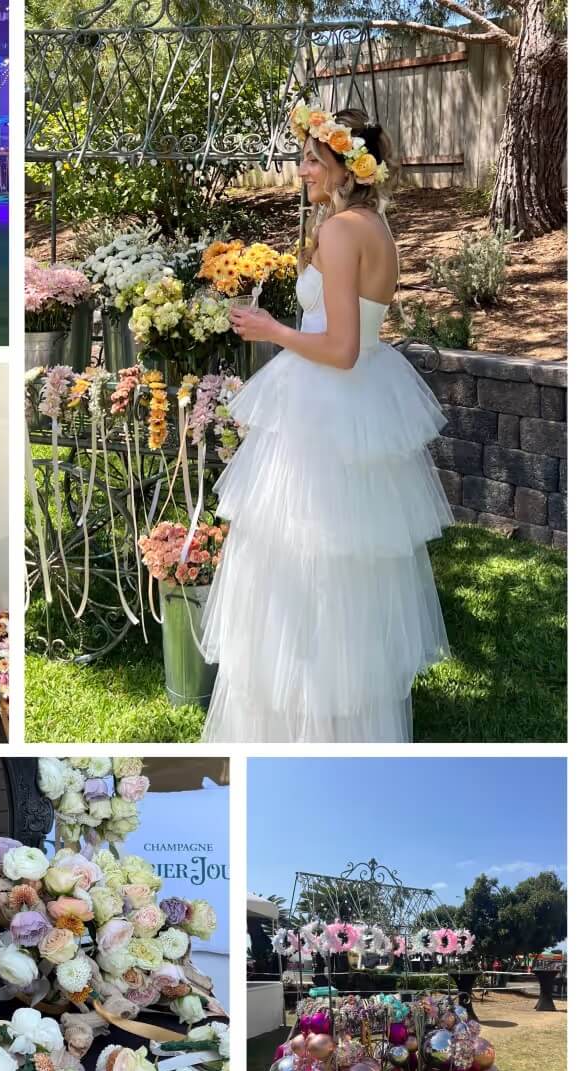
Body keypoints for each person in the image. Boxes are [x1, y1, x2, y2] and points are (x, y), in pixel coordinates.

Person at [201, 107, 451, 742]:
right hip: (356, 400)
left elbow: (339, 348)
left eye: (315, 158)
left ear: (346, 167)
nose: (303, 168)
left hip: (327, 404)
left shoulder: (343, 231)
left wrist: (270, 330)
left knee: (304, 561)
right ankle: (338, 711)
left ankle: (299, 714)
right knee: (343, 570)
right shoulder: (374, 225)